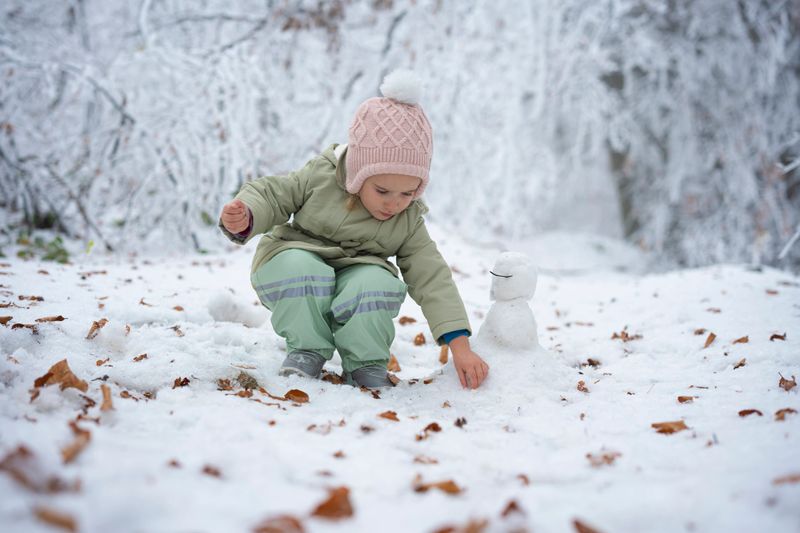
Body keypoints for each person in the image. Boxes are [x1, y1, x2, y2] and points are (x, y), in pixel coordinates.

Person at [219, 70, 488, 389]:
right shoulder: (320, 178)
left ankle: (365, 363)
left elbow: (432, 277)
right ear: (358, 172)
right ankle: (306, 349)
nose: (394, 204)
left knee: (375, 281)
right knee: (302, 267)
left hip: (358, 275)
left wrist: (460, 345)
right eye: (383, 191)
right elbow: (274, 193)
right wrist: (246, 213)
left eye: (408, 193)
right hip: (296, 260)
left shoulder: (407, 219)